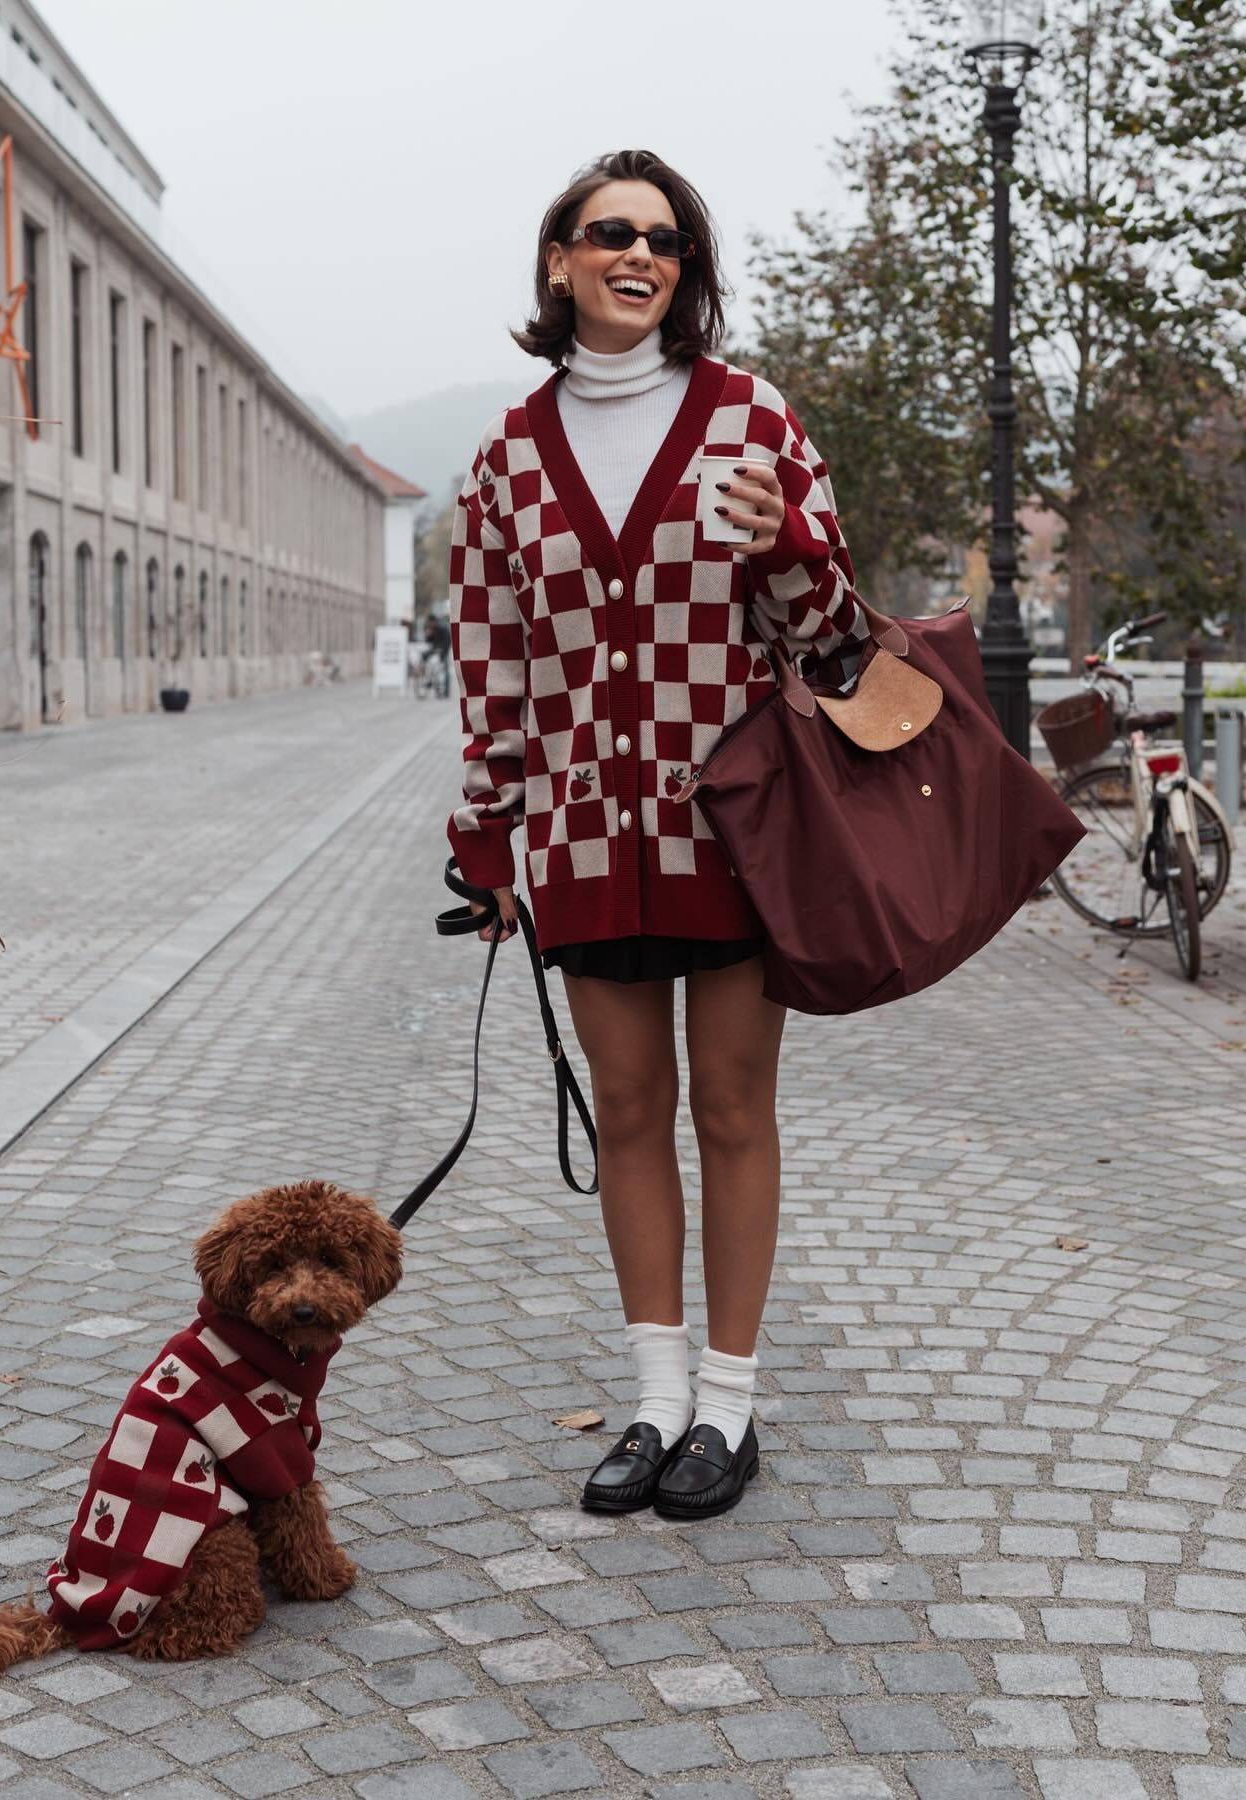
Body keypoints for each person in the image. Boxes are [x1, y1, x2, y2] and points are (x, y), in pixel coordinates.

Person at [444, 149, 868, 1520]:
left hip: (732, 825)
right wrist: (487, 840)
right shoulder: (508, 459)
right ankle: (657, 1398)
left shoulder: (753, 420)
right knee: (628, 1115)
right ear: (558, 259)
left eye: (668, 242)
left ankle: (731, 1411)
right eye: (610, 233)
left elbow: (843, 645)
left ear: (686, 274)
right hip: (578, 833)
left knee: (733, 1111)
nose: (640, 255)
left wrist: (788, 544)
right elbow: (494, 669)